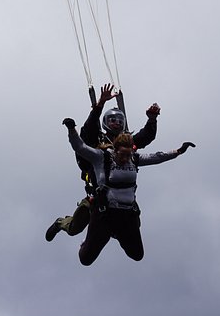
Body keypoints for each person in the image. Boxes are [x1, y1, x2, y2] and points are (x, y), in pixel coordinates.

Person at [63, 119, 195, 265]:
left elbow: (157, 157)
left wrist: (178, 151)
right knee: (85, 259)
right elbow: (80, 147)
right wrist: (72, 130)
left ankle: (116, 233)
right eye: (122, 155)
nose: (125, 159)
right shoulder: (101, 157)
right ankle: (90, 239)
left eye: (128, 154)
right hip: (104, 215)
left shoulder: (134, 159)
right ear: (115, 150)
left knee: (137, 255)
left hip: (126, 215)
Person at [45, 84, 160, 241]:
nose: (116, 123)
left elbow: (145, 137)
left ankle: (114, 232)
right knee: (75, 228)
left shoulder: (127, 143)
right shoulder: (97, 140)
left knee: (133, 225)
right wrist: (100, 104)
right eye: (112, 120)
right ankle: (60, 223)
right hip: (98, 195)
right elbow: (88, 131)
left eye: (119, 121)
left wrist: (152, 120)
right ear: (105, 122)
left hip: (121, 198)